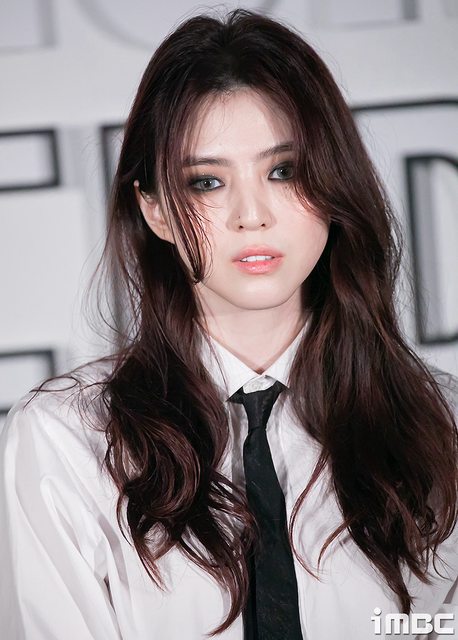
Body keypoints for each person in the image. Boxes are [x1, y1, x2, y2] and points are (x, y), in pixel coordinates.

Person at [1, 8, 457, 640]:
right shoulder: (66, 442)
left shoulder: (439, 429)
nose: (251, 214)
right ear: (155, 210)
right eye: (207, 181)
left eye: (283, 171)